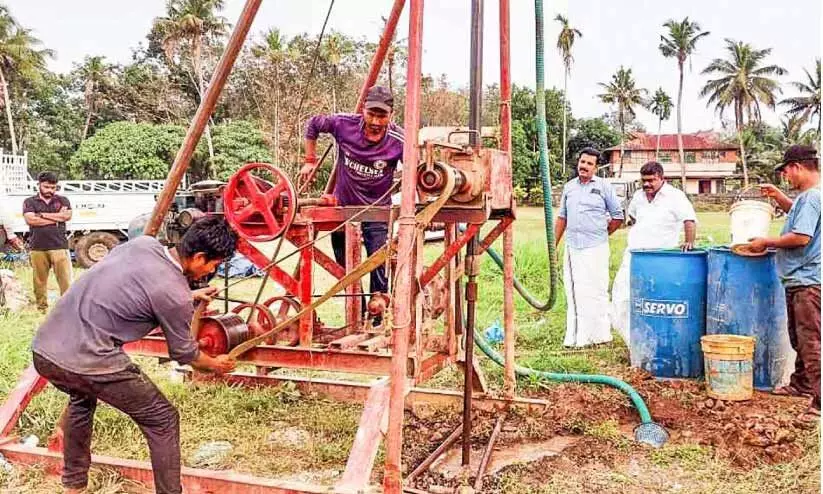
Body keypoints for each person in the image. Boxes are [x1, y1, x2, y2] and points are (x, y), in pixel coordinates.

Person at [31, 216, 238, 494]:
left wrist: (190, 296)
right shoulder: (174, 294)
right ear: (200, 257)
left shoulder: (142, 245)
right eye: (216, 263)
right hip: (89, 358)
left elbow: (140, 287)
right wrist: (215, 364)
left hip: (46, 351)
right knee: (163, 419)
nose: (214, 269)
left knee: (82, 398)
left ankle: (74, 484)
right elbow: (185, 354)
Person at [300, 85, 404, 322]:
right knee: (345, 268)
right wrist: (309, 160)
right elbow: (314, 125)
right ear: (363, 111)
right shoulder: (343, 124)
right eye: (371, 114)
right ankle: (357, 313)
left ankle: (378, 316)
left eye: (382, 116)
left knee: (379, 266)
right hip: (343, 211)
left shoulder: (399, 140)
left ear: (391, 115)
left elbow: (415, 169)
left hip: (377, 212)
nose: (376, 121)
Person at [746, 144, 820, 424]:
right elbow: (799, 218)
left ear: (798, 167)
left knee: (811, 341)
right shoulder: (808, 198)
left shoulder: (812, 198)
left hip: (808, 280)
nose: (786, 178)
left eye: (787, 172)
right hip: (800, 278)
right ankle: (801, 384)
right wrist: (778, 197)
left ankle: (819, 403)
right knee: (800, 337)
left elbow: (801, 236)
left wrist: (766, 242)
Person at [610, 161, 697, 346]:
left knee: (655, 301)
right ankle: (632, 340)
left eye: (651, 180)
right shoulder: (638, 197)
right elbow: (632, 218)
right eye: (644, 181)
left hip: (660, 258)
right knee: (623, 296)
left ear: (662, 178)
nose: (647, 184)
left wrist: (689, 242)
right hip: (634, 255)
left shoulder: (675, 196)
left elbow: (689, 219)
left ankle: (658, 340)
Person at [555, 148, 624, 347]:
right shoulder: (569, 187)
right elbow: (562, 218)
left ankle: (601, 336)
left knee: (598, 289)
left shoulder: (604, 187)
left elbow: (617, 216)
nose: (584, 166)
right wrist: (554, 245)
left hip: (596, 247)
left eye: (589, 164)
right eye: (582, 162)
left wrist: (602, 233)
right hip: (573, 247)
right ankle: (576, 338)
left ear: (596, 167)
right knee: (575, 291)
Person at [23, 171, 73, 311]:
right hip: (37, 247)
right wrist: (56, 218)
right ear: (39, 185)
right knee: (39, 281)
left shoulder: (63, 200)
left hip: (59, 246)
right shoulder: (29, 201)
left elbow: (66, 216)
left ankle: (66, 309)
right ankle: (41, 308)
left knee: (65, 281)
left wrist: (42, 215)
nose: (50, 190)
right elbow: (30, 219)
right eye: (46, 187)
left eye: (53, 188)